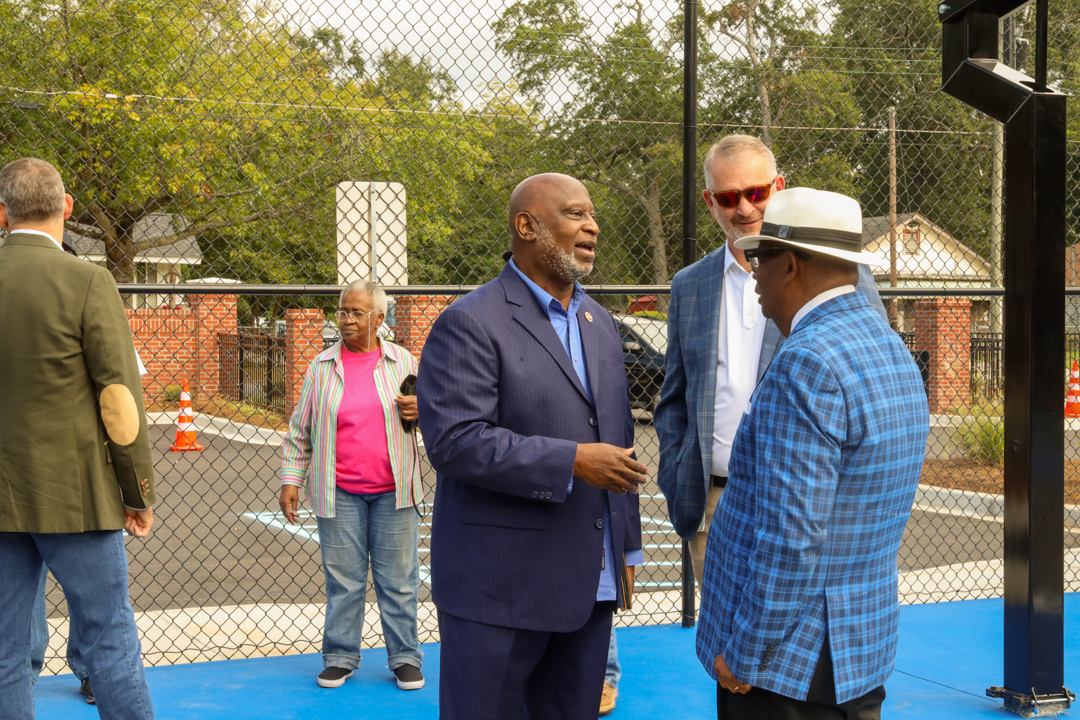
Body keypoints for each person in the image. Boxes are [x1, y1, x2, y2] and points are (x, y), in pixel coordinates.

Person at [416, 173, 645, 720]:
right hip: (499, 590)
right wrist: (569, 461)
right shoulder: (470, 321)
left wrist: (627, 545)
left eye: (593, 215)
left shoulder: (600, 324)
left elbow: (619, 441)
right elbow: (454, 441)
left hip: (590, 582)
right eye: (575, 214)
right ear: (527, 226)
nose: (592, 226)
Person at [696, 187, 930, 718]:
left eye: (760, 258)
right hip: (857, 649)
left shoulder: (806, 362)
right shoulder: (888, 344)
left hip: (787, 667)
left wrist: (746, 651)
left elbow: (791, 537)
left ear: (791, 266)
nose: (754, 275)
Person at [655, 135, 886, 579]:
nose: (743, 208)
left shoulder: (838, 273)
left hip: (804, 506)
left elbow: (865, 384)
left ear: (779, 187)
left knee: (790, 641)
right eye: (728, 197)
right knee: (721, 643)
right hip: (714, 505)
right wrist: (676, 471)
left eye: (756, 192)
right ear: (710, 202)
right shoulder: (690, 285)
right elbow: (675, 397)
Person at [0, 157, 156, 719]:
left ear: (2, 214)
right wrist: (136, 492)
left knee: (5, 654)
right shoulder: (87, 280)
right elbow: (120, 401)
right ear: (65, 207)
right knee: (109, 641)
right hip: (78, 500)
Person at [279, 279, 426, 691]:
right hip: (338, 490)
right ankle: (340, 656)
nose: (346, 319)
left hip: (394, 491)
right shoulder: (322, 366)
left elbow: (431, 420)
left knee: (398, 579)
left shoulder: (403, 362)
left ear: (379, 319)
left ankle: (404, 658)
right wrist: (292, 479)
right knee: (344, 580)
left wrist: (424, 409)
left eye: (356, 312)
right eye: (343, 311)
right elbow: (300, 429)